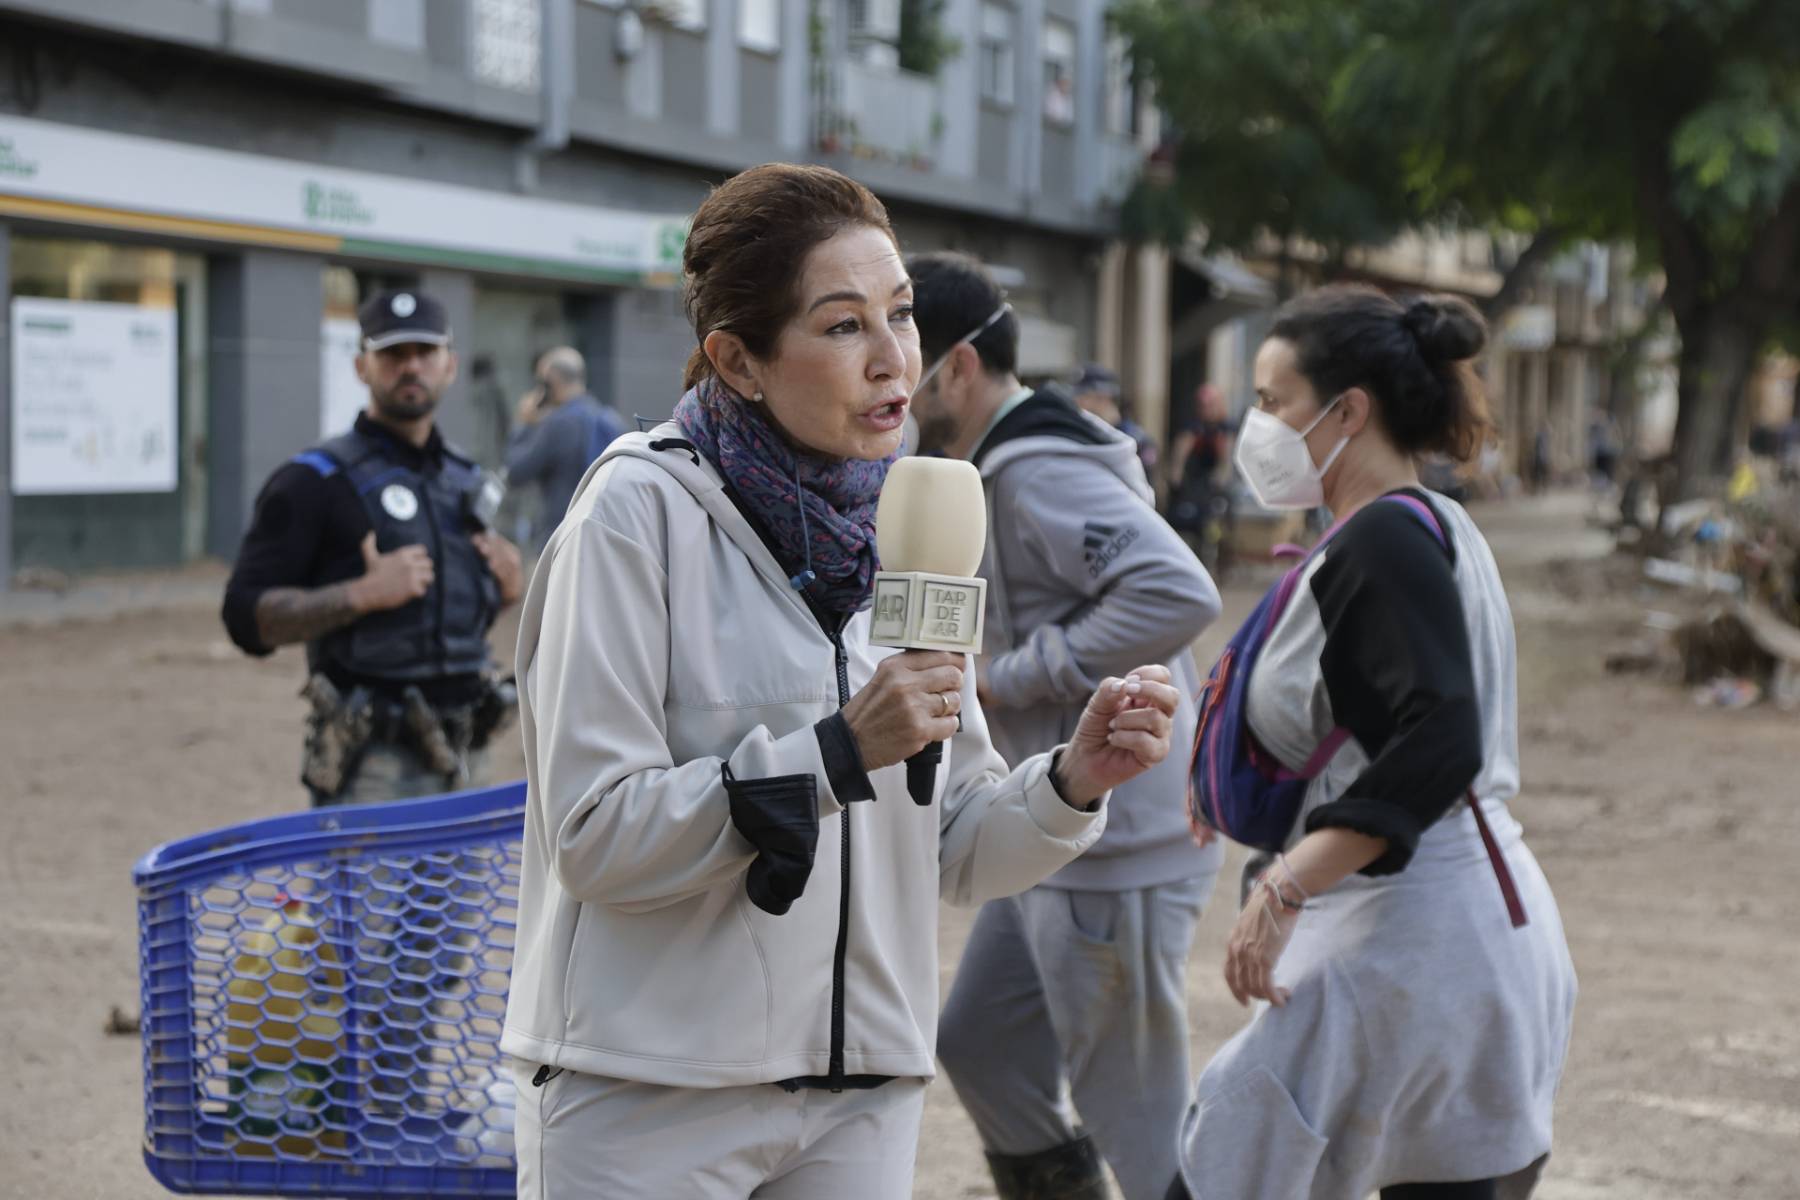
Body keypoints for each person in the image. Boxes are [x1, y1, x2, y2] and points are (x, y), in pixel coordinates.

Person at [499, 163, 1186, 1200]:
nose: (892, 360)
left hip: (863, 1097)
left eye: (901, 316)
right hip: (646, 1096)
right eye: (843, 326)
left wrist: (1070, 781)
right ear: (737, 360)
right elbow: (594, 835)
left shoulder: (917, 527)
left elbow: (950, 844)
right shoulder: (631, 519)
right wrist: (831, 754)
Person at [1169, 285, 1576, 1200]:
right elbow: (1367, 713)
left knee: (1224, 1163)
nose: (1255, 425)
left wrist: (1283, 885)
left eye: (1272, 402)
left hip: (1408, 943)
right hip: (1458, 934)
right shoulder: (1425, 522)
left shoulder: (1383, 537)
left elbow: (1440, 736)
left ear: (1348, 411)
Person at [907, 252, 1224, 1200]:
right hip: (1046, 823)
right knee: (983, 1047)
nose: (884, 373)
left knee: (1136, 1108)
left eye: (898, 347)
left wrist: (1008, 679)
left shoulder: (1032, 466)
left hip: (1120, 835)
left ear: (957, 366)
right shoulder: (992, 465)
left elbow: (1178, 588)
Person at [222, 288, 525, 806]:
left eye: (424, 353)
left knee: (465, 892)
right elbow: (245, 618)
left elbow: (451, 619)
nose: (411, 367)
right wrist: (361, 594)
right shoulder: (313, 479)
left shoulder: (466, 480)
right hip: (371, 769)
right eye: (392, 354)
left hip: (471, 757)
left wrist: (507, 586)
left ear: (449, 365)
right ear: (362, 366)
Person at [504, 345, 626, 550]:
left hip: (558, 542)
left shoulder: (557, 424)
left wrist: (525, 424)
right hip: (601, 539)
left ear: (553, 382)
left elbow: (514, 471)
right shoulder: (608, 420)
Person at [1168, 383, 1236, 567]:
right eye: (1204, 406)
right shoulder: (1192, 427)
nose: (1208, 410)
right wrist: (1176, 480)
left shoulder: (1226, 428)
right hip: (1194, 482)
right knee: (1187, 522)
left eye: (1212, 405)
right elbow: (1179, 457)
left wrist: (1220, 482)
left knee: (1219, 521)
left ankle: (1221, 559)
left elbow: (1226, 461)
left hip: (1215, 484)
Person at [1072, 362, 1159, 482]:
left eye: (1086, 396)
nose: (1079, 402)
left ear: (1105, 398)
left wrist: (1110, 429)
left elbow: (1142, 478)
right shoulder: (1075, 427)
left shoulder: (1131, 437)